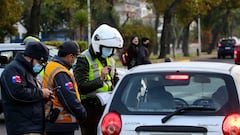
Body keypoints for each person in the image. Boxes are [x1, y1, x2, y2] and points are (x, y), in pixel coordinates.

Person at [73, 24, 123, 135]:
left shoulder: (110, 60)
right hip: (90, 107)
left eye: (112, 49)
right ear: (98, 45)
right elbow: (81, 86)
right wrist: (101, 79)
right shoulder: (84, 59)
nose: (110, 52)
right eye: (107, 48)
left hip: (107, 106)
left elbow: (115, 80)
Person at [0, 41, 52, 135]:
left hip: (33, 126)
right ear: (31, 57)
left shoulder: (28, 71)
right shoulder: (13, 70)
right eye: (40, 62)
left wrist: (44, 97)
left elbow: (30, 96)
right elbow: (17, 93)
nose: (40, 65)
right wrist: (41, 93)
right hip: (23, 127)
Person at [43, 41, 87, 135]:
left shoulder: (51, 65)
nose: (74, 60)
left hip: (53, 119)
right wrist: (82, 114)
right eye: (75, 57)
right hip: (61, 122)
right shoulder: (61, 72)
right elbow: (69, 99)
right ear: (70, 56)